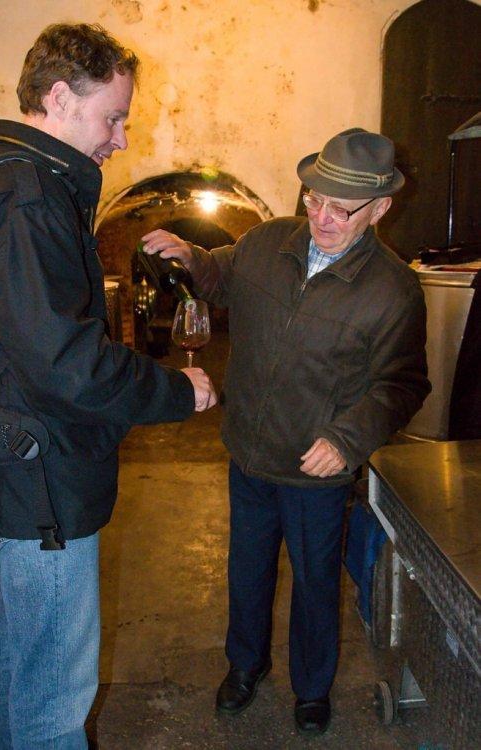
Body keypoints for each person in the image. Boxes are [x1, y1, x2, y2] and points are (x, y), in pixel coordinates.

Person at [0, 23, 216, 750]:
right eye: (113, 117)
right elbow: (65, 362)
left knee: (26, 675)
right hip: (41, 481)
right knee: (51, 705)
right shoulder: (24, 200)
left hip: (21, 467)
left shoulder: (11, 184)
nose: (120, 139)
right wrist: (174, 392)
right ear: (59, 98)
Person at [141, 128, 430, 735]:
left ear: (379, 209)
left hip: (314, 470)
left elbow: (402, 384)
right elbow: (220, 276)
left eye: (341, 209)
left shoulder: (394, 288)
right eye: (314, 198)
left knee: (315, 584)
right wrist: (191, 257)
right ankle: (245, 666)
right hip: (249, 450)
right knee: (246, 573)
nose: (321, 217)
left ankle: (312, 688)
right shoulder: (268, 241)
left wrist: (347, 440)